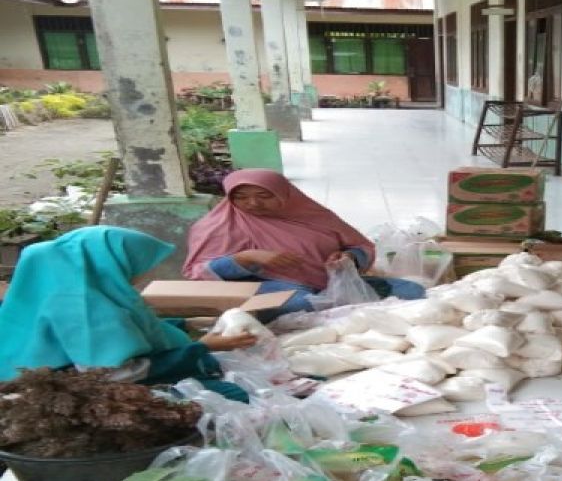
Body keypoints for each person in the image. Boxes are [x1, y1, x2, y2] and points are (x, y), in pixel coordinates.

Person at [0, 226, 255, 400]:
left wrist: (187, 323)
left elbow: (136, 327)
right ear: (109, 265)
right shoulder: (84, 309)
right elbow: (113, 374)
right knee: (237, 394)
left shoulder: (64, 288)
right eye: (141, 266)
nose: (147, 274)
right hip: (72, 393)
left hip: (74, 381)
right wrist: (200, 347)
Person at [183, 170, 424, 317]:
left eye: (264, 196)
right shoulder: (219, 225)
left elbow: (360, 246)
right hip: (271, 286)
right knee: (302, 305)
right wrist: (246, 258)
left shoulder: (315, 216)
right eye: (241, 197)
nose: (253, 204)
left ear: (284, 194)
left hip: (329, 281)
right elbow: (197, 273)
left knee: (411, 290)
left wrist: (348, 258)